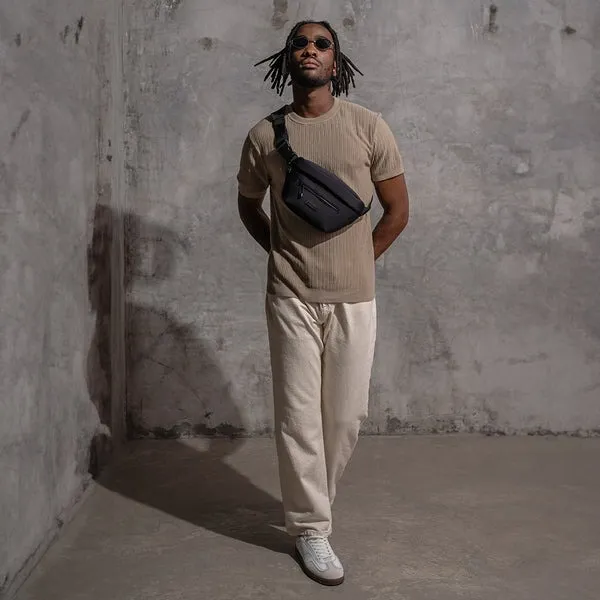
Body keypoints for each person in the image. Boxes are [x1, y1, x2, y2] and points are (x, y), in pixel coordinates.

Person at [236, 20, 409, 586]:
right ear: (286, 57)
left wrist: (361, 260)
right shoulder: (264, 136)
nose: (309, 49)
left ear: (337, 61)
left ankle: (315, 505)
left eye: (321, 43)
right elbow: (248, 204)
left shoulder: (368, 126)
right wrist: (281, 253)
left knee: (346, 415)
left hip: (355, 296)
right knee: (298, 417)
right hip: (290, 294)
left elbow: (398, 211)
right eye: (300, 43)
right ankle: (311, 527)